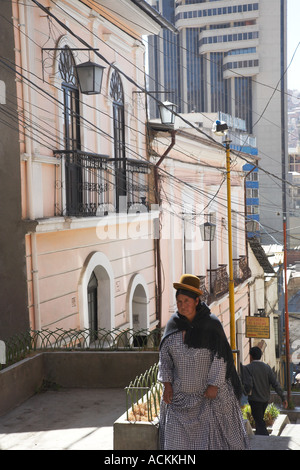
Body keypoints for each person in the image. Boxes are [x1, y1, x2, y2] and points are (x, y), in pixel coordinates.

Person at [158, 274, 249, 450]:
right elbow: (165, 358)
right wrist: (167, 384)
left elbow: (221, 357)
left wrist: (213, 385)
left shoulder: (211, 325)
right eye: (179, 302)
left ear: (197, 301)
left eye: (186, 301)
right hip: (180, 400)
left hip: (209, 398)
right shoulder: (173, 326)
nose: (182, 306)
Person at [243, 346, 288, 436]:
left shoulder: (247, 368)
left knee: (259, 421)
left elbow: (248, 385)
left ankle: (264, 439)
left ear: (251, 356)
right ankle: (262, 438)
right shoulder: (267, 368)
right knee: (259, 420)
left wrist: (244, 394)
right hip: (265, 400)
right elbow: (275, 384)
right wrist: (283, 397)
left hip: (254, 400)